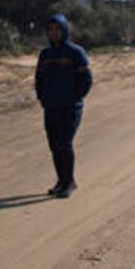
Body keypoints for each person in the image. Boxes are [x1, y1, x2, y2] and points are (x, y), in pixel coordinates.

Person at [35, 14, 92, 198]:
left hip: (70, 108)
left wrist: (75, 97)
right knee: (54, 145)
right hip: (51, 107)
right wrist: (42, 98)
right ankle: (61, 181)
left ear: (64, 30)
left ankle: (69, 182)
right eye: (50, 29)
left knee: (64, 143)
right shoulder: (45, 54)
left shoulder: (76, 53)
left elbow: (86, 80)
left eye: (57, 29)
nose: (54, 33)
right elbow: (39, 78)